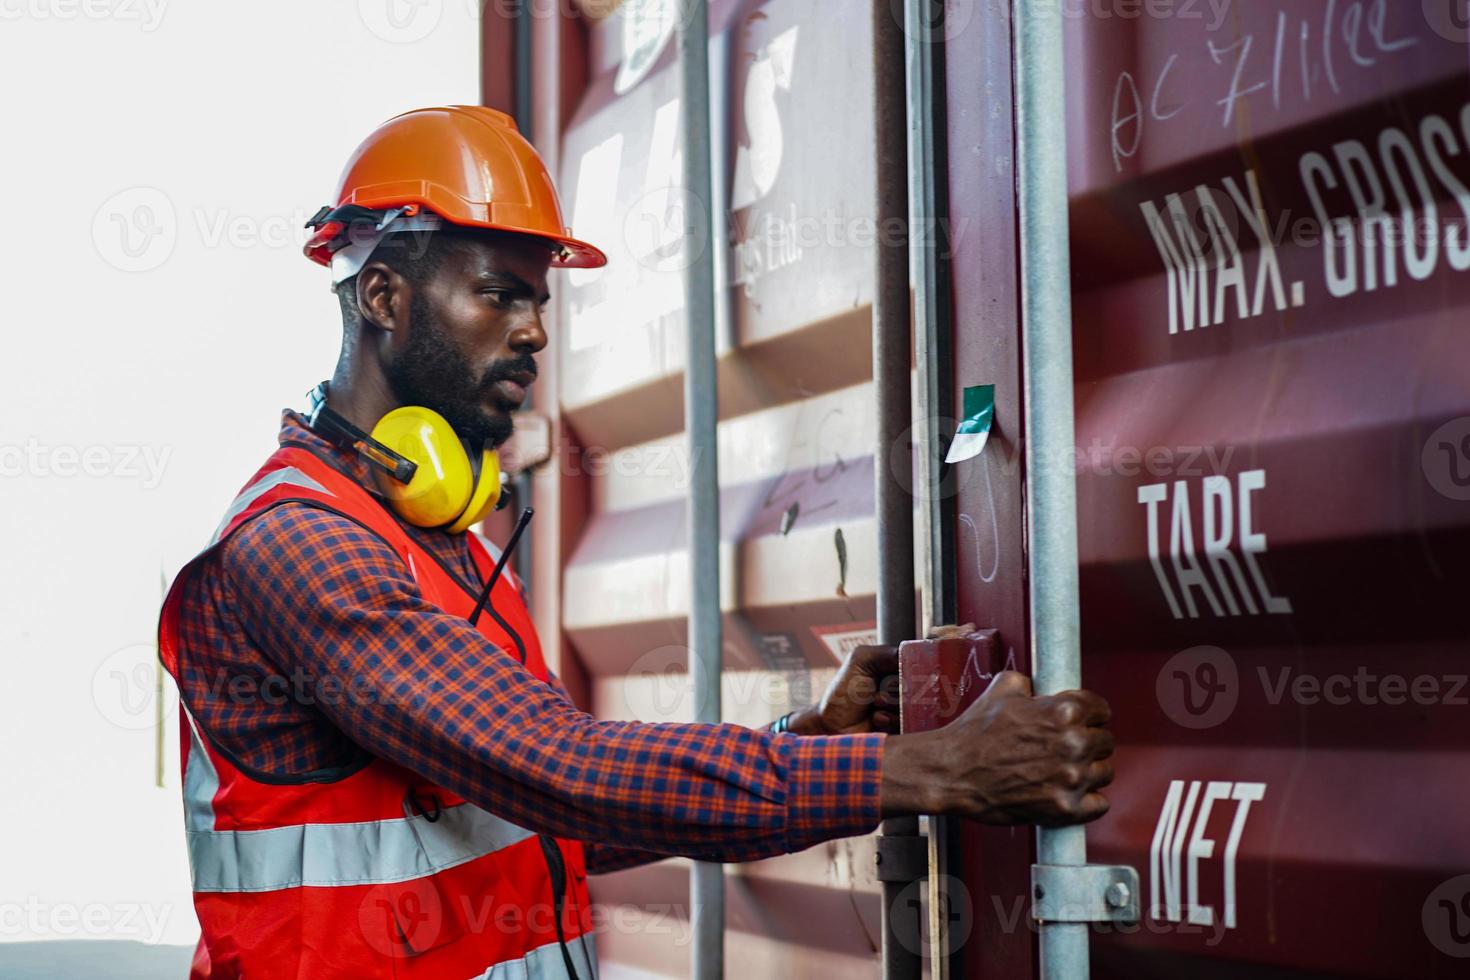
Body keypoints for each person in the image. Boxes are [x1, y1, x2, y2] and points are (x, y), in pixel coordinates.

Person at [157, 105, 1114, 979]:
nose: (534, 332)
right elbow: (555, 766)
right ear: (381, 298)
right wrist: (938, 768)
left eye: (539, 301)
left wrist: (806, 745)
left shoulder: (441, 539)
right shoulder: (299, 546)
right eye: (498, 295)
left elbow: (538, 819)